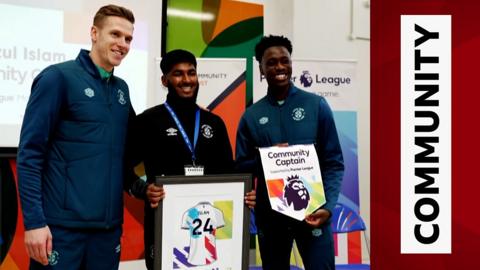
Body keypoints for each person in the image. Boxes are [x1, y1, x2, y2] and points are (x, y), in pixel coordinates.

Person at [16, 5, 135, 269]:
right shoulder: (58, 78)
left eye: (128, 38)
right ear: (94, 33)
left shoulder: (121, 90)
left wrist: (190, 112)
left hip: (107, 232)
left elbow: (138, 137)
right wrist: (34, 223)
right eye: (115, 34)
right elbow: (30, 155)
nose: (122, 44)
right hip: (61, 231)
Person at [126, 49, 256, 270]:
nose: (186, 80)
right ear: (164, 80)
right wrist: (143, 189)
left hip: (211, 228)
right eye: (178, 74)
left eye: (191, 73)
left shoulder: (214, 123)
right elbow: (122, 168)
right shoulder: (148, 121)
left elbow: (229, 173)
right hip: (164, 223)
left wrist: (244, 194)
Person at [235, 35, 345, 270]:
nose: (280, 67)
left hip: (312, 213)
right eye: (271, 62)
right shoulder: (251, 116)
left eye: (285, 60)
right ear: (261, 68)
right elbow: (241, 166)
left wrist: (327, 207)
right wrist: (267, 158)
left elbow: (334, 162)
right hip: (271, 218)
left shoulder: (316, 105)